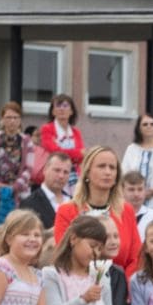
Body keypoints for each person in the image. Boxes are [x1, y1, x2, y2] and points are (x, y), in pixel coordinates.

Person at [53, 144, 141, 275]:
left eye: (112, 167)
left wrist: (124, 288)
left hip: (120, 288)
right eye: (101, 166)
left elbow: (135, 258)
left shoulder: (126, 210)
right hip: (79, 286)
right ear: (87, 172)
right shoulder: (67, 211)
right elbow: (63, 256)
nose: (108, 172)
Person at [0, 102, 33, 226]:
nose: (12, 121)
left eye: (15, 117)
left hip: (19, 192)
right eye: (8, 117)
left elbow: (28, 169)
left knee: (18, 226)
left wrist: (15, 186)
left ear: (20, 120)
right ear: (2, 119)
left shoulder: (26, 141)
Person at [38, 94, 83, 182]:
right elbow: (55, 153)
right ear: (53, 111)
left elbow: (81, 157)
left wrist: (66, 152)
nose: (62, 109)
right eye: (58, 106)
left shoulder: (76, 132)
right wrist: (75, 154)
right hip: (53, 175)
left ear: (71, 111)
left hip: (73, 176)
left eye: (65, 106)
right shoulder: (46, 129)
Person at [20, 151, 73, 223]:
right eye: (57, 170)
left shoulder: (75, 202)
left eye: (66, 172)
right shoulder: (29, 204)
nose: (61, 176)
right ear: (45, 170)